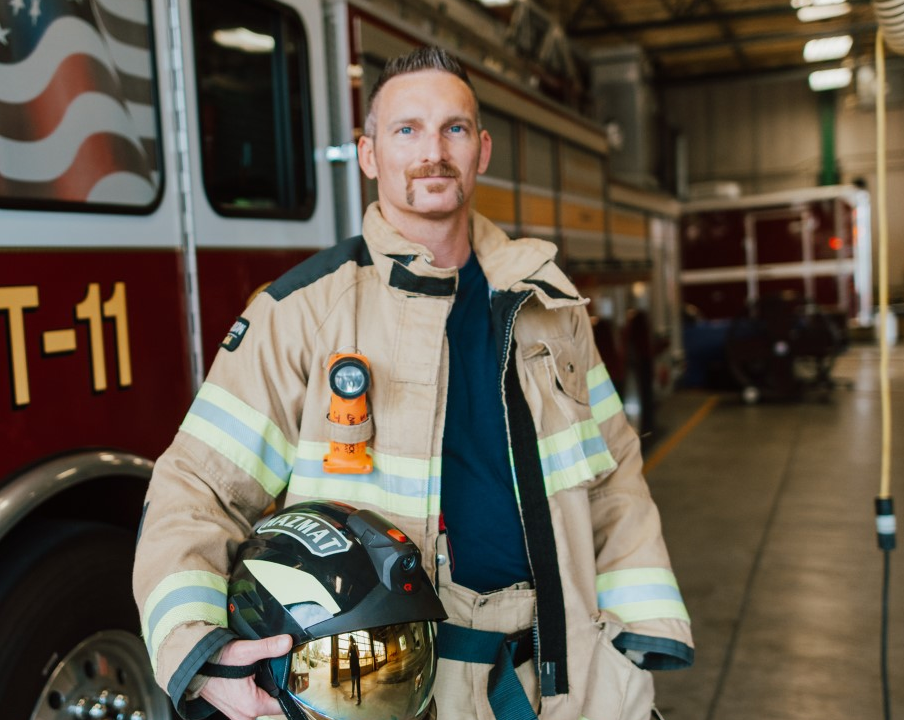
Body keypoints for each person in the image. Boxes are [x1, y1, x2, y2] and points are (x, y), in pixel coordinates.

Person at [133, 45, 693, 720]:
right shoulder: (300, 314)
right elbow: (194, 489)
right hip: (391, 692)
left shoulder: (548, 306)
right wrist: (200, 652)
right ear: (369, 155)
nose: (433, 150)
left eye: (453, 128)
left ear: (481, 150)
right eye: (407, 130)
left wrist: (639, 637)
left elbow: (614, 477)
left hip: (565, 676)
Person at [348, 636, 362, 705]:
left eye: (351, 640)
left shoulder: (356, 646)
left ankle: (359, 699)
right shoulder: (349, 648)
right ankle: (353, 694)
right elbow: (348, 656)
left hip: (356, 667)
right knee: (353, 682)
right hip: (352, 668)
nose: (350, 642)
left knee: (358, 683)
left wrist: (355, 648)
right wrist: (349, 650)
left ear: (353, 640)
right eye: (349, 641)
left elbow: (358, 655)